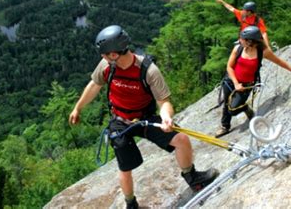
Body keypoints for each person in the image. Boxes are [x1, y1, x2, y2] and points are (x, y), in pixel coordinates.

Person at [69, 25, 219, 209]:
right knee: (125, 166)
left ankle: (193, 177)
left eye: (105, 54)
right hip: (120, 121)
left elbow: (164, 101)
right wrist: (78, 108)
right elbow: (94, 85)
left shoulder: (148, 70)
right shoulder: (107, 66)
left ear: (115, 54)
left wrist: (166, 118)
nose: (103, 57)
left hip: (145, 118)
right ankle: (131, 204)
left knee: (181, 139)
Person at [215, 26, 291, 137]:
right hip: (231, 81)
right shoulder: (238, 48)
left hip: (246, 85)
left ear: (250, 41)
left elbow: (278, 61)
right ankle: (225, 126)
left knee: (233, 109)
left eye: (242, 39)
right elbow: (229, 67)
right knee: (226, 104)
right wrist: (235, 83)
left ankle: (245, 108)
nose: (240, 40)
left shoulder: (262, 52)